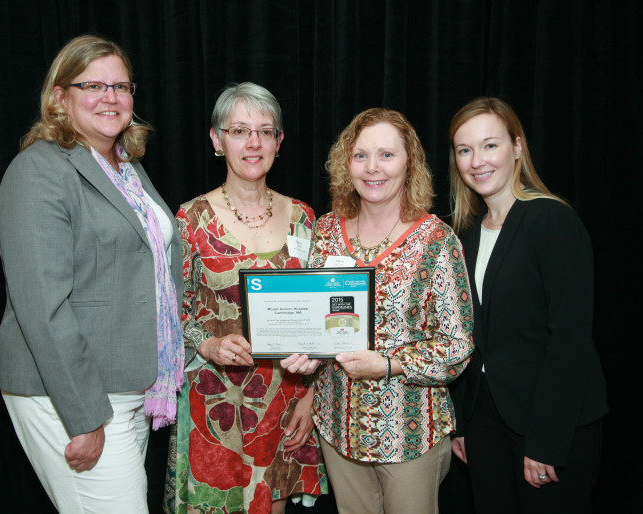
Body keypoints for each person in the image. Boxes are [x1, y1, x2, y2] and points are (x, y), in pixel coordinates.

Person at [0, 34, 184, 512]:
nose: (111, 97)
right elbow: (42, 308)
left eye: (121, 86)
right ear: (60, 96)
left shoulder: (124, 167)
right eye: (93, 85)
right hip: (74, 392)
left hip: (129, 384)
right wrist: (83, 417)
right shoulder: (37, 171)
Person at [286, 107, 474, 513]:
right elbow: (318, 322)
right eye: (361, 155)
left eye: (387, 155)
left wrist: (387, 365)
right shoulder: (326, 230)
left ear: (410, 163)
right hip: (337, 428)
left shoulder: (436, 241)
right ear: (345, 163)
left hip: (408, 436)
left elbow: (457, 348)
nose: (373, 168)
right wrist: (306, 360)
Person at [164, 82, 327, 514]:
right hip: (217, 409)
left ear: (279, 141)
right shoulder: (189, 219)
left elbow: (324, 318)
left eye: (265, 131)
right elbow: (168, 313)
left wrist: (310, 397)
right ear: (217, 140)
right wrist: (209, 343)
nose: (253, 143)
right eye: (239, 131)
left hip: (287, 401)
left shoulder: (306, 218)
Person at [447, 97, 608, 513]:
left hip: (548, 424)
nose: (477, 161)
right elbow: (468, 339)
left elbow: (570, 341)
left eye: (490, 145)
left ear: (517, 148)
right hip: (485, 423)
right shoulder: (465, 235)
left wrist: (546, 443)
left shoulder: (552, 222)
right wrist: (462, 425)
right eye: (464, 150)